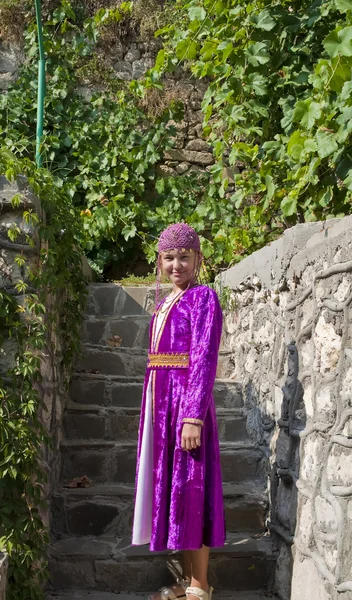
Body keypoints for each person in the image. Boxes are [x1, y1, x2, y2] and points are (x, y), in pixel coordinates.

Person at [132, 223, 225, 600]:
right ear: (159, 261)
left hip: (185, 404)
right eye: (169, 258)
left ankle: (201, 586)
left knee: (192, 487)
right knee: (176, 490)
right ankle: (186, 580)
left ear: (197, 259)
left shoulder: (203, 298)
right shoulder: (163, 302)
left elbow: (204, 356)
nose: (176, 265)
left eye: (184, 257)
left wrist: (192, 416)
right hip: (160, 405)